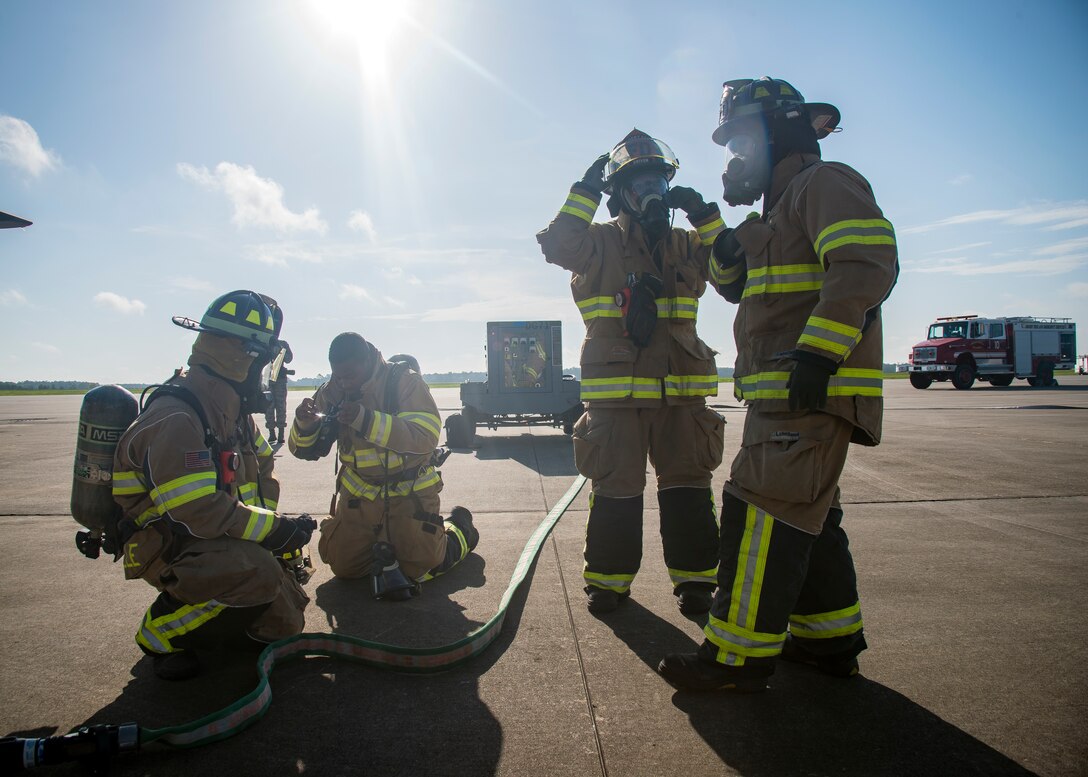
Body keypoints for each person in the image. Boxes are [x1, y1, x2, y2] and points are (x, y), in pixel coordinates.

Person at [659, 77, 899, 691]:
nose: (735, 158)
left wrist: (819, 356)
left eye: (742, 142)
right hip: (784, 398)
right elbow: (735, 283)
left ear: (781, 132)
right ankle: (828, 639)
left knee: (758, 511)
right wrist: (712, 223)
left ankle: (736, 660)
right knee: (807, 516)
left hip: (807, 392)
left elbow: (866, 261)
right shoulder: (779, 209)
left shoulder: (823, 184)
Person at [536, 129, 728, 617]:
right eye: (639, 182)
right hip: (616, 401)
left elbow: (734, 276)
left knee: (688, 490)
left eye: (658, 181)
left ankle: (697, 582)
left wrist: (706, 217)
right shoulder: (597, 243)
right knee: (617, 492)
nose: (652, 192)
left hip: (682, 398)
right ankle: (608, 583)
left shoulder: (687, 244)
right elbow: (559, 245)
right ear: (619, 192)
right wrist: (584, 191)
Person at [112, 290, 313, 681]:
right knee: (258, 575)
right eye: (265, 361)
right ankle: (160, 634)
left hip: (211, 538)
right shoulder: (179, 417)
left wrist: (278, 533)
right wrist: (273, 533)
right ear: (242, 353)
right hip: (172, 543)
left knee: (285, 623)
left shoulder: (231, 411)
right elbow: (197, 510)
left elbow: (258, 475)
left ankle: (215, 622)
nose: (266, 374)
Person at [288, 332, 477, 597]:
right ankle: (382, 546)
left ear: (367, 362)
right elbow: (302, 450)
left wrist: (365, 420)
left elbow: (425, 436)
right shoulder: (332, 390)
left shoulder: (405, 383)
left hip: (408, 496)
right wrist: (304, 424)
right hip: (358, 501)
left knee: (416, 568)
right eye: (337, 376)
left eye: (349, 376)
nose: (343, 383)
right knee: (344, 568)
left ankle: (459, 530)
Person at [264, 341, 294, 443]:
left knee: (281, 406)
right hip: (267, 378)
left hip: (280, 379)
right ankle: (272, 433)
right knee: (269, 407)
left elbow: (289, 359)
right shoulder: (265, 342)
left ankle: (281, 433)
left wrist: (281, 348)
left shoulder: (283, 344)